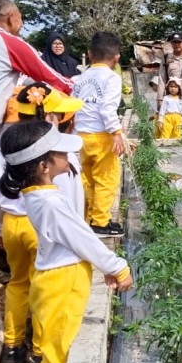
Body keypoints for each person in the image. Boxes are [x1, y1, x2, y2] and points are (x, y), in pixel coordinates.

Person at [0, 121, 133, 363]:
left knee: (52, 355)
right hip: (63, 283)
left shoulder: (35, 196)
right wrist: (115, 266)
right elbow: (83, 239)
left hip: (51, 280)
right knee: (57, 361)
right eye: (59, 152)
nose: (66, 156)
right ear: (44, 165)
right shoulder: (52, 203)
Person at [0, 85, 85, 363]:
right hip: (41, 228)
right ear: (52, 116)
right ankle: (40, 351)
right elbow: (72, 203)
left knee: (18, 283)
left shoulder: (4, 146)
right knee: (46, 290)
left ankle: (11, 346)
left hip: (11, 224)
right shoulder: (57, 154)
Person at [0, 0, 74, 218]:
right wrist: (78, 85)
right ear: (10, 18)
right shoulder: (9, 43)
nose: (23, 22)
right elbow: (51, 77)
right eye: (20, 17)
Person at [72, 32, 128, 236]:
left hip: (80, 135)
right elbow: (106, 109)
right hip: (101, 135)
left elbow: (73, 106)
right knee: (106, 178)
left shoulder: (79, 78)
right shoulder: (111, 78)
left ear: (89, 54)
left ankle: (89, 217)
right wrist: (116, 133)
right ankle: (101, 223)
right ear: (116, 57)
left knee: (87, 178)